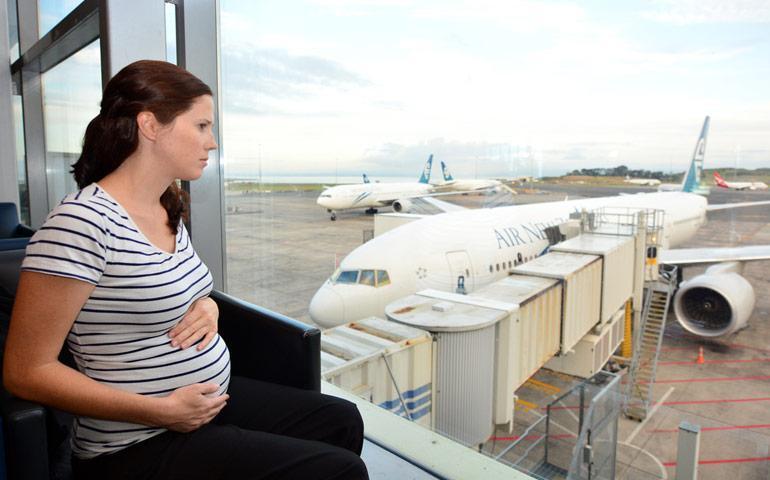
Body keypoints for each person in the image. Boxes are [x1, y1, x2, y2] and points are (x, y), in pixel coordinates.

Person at [3, 60, 368, 480]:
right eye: (201, 126)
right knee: (341, 471)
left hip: (202, 404)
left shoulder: (166, 205)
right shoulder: (80, 222)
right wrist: (162, 411)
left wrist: (209, 308)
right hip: (135, 441)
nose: (212, 142)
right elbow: (26, 372)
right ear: (150, 125)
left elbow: (173, 289)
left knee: (341, 420)